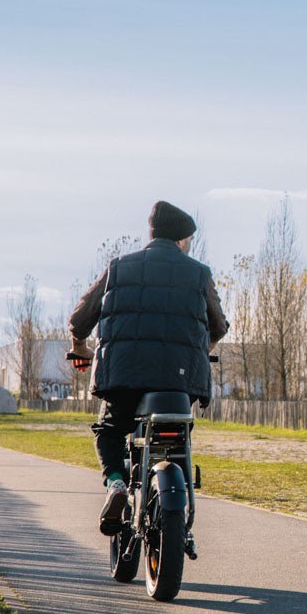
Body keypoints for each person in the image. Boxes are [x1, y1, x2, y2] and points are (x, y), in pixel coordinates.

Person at [68, 200, 228, 534]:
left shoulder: (118, 267)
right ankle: (179, 490)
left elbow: (80, 318)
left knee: (110, 430)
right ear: (182, 240)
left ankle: (115, 483)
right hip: (180, 383)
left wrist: (79, 346)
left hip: (124, 379)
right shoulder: (199, 273)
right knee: (179, 432)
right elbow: (219, 326)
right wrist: (201, 349)